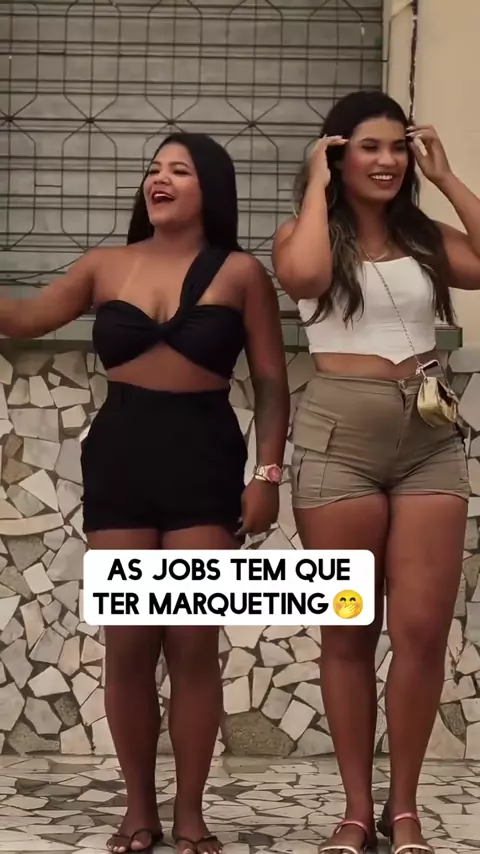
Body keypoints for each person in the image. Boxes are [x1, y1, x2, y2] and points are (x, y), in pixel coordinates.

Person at [0, 132, 290, 854]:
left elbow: (272, 384)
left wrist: (268, 475)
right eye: (153, 169)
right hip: (121, 461)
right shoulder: (105, 265)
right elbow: (24, 320)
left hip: (204, 462)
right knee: (127, 645)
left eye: (178, 170)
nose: (158, 179)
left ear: (209, 188)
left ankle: (190, 814)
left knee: (192, 644)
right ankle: (138, 810)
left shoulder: (242, 273)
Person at [272, 90, 480, 854]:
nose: (388, 160)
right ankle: (356, 811)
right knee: (350, 630)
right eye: (369, 147)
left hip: (428, 438)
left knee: (421, 632)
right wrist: (317, 184)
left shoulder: (424, 238)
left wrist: (447, 177)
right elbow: (304, 278)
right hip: (340, 441)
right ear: (337, 153)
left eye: (398, 147)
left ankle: (406, 809)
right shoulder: (301, 234)